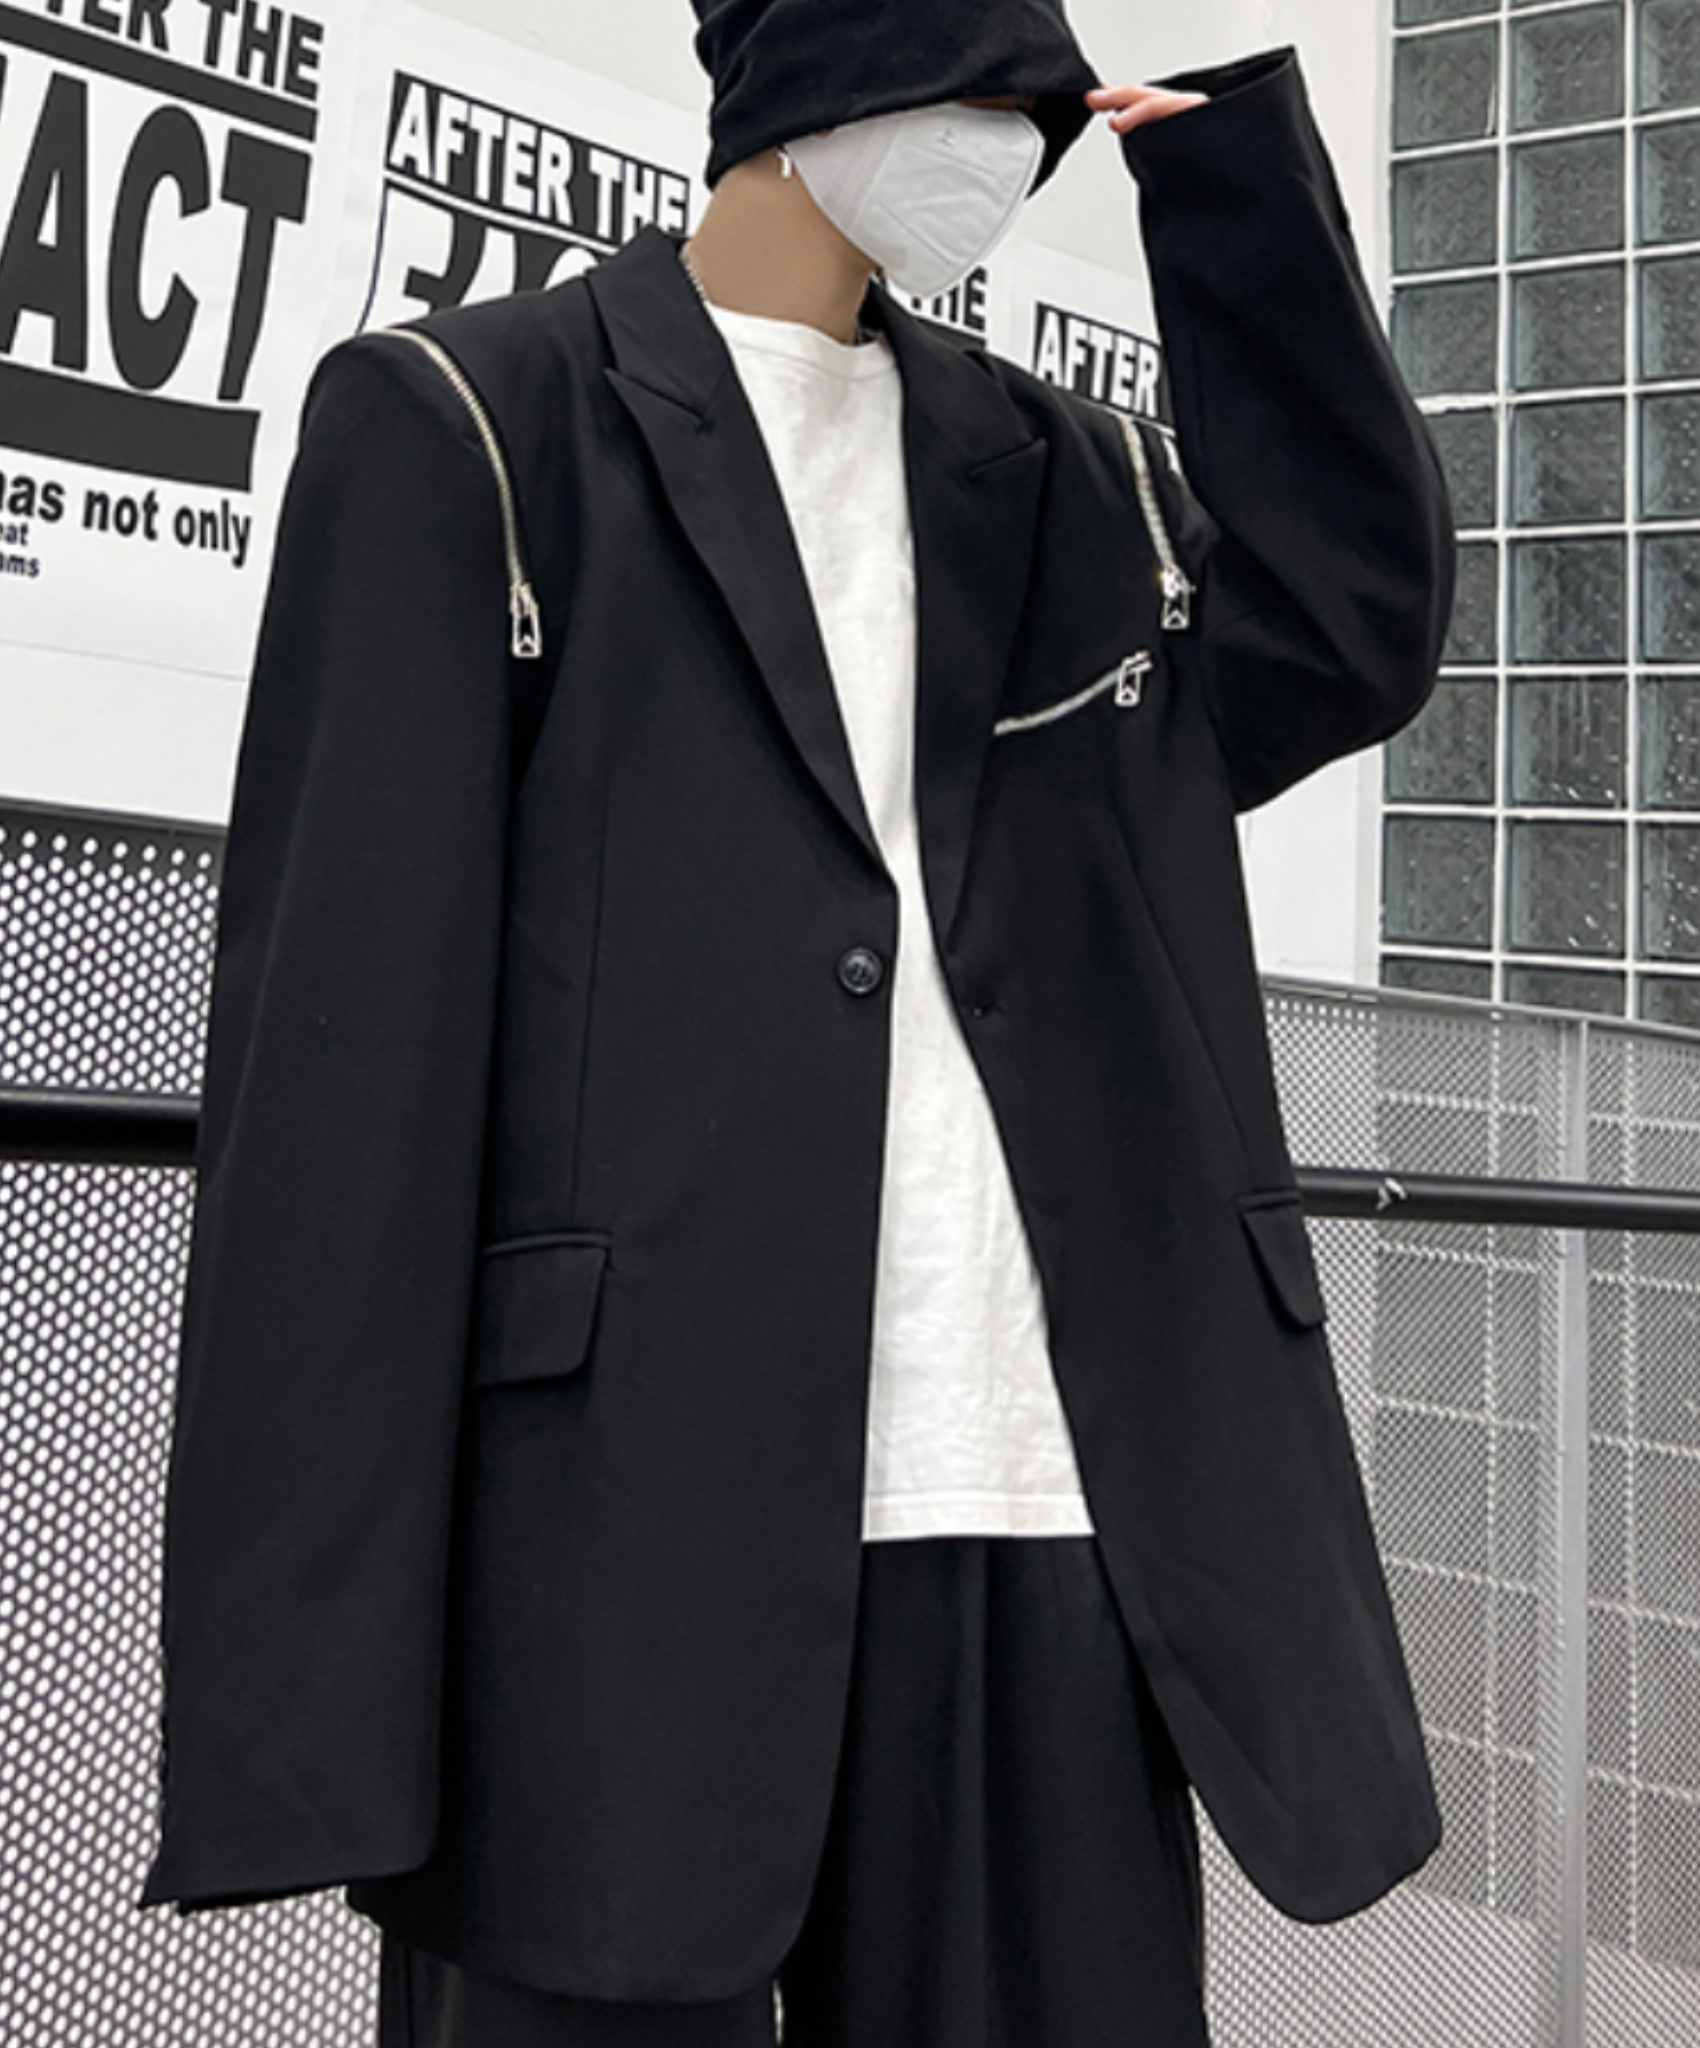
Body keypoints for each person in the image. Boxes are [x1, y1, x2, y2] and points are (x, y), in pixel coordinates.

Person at [140, 3, 1456, 2044]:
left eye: (1039, 107)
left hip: (1039, 1505)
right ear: (811, 82)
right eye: (979, 93)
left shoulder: (1077, 477)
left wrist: (1218, 164)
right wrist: (301, 1712)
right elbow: (341, 1084)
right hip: (614, 1546)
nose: (1012, 146)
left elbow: (1352, 629)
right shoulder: (473, 426)